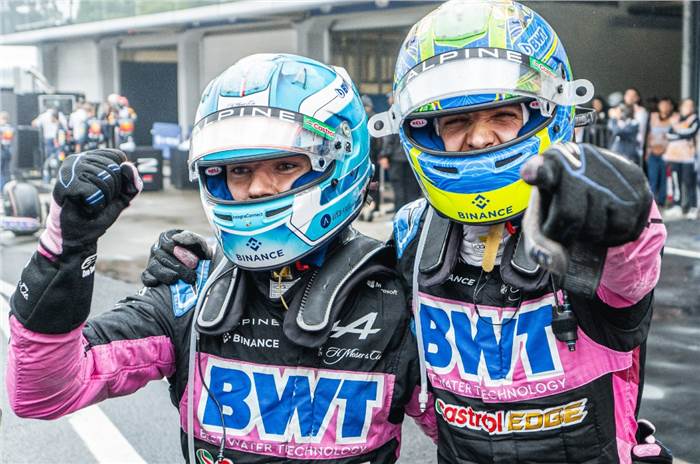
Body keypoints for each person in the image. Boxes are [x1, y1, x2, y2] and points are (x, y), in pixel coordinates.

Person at [139, 3, 671, 462]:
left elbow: (634, 265)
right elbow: (325, 270)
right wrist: (217, 262)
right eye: (455, 122)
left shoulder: (592, 230)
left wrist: (629, 219)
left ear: (546, 111)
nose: (478, 138)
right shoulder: (414, 233)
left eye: (502, 115)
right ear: (423, 131)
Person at [6, 54, 436, 463]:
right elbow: (43, 392)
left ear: (339, 160)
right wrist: (66, 254)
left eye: (284, 165)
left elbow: (478, 432)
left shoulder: (398, 296)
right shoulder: (192, 290)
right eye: (238, 171)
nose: (256, 189)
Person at [378, 93, 422, 211]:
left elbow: (388, 138)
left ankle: (401, 213)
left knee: (399, 188)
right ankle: (414, 214)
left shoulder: (392, 115)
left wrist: (384, 155)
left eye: (390, 97)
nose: (389, 100)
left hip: (397, 159)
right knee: (413, 187)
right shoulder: (412, 110)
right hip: (412, 156)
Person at [664, 98, 698, 219]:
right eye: (686, 106)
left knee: (689, 182)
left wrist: (677, 132)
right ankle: (677, 205)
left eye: (691, 106)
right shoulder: (675, 119)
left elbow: (691, 132)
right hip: (674, 156)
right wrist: (680, 133)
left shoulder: (694, 119)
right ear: (681, 107)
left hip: (688, 157)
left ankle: (693, 207)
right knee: (675, 182)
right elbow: (668, 134)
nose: (689, 108)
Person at [645, 97, 677, 208]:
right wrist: (647, 151)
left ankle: (662, 201)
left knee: (664, 179)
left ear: (671, 106)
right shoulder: (653, 117)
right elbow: (649, 134)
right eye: (662, 104)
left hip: (667, 153)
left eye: (667, 104)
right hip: (653, 152)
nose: (664, 107)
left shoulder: (674, 118)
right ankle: (652, 202)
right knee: (652, 178)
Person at [32, 106, 68, 183]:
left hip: (55, 143)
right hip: (57, 143)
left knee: (52, 161)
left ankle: (49, 179)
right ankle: (53, 179)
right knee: (56, 161)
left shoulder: (44, 115)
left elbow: (34, 123)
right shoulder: (61, 116)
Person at [623, 87, 649, 162]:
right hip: (621, 146)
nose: (630, 98)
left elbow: (635, 128)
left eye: (633, 95)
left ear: (637, 98)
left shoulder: (641, 111)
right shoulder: (620, 109)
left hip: (634, 147)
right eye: (628, 95)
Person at [0, 111, 14, 192]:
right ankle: (5, 189)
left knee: (2, 171)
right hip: (7, 150)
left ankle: (1, 189)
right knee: (6, 171)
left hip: (2, 150)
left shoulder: (3, 128)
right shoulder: (10, 128)